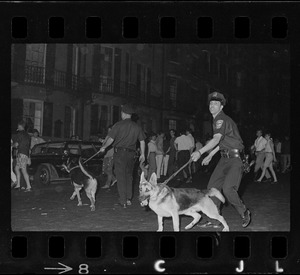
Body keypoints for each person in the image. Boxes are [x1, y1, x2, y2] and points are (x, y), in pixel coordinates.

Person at [191, 91, 251, 228]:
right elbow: (222, 142)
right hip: (224, 158)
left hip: (235, 159)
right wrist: (211, 155)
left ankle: (244, 212)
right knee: (212, 188)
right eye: (211, 103)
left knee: (228, 189)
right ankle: (214, 219)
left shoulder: (221, 119)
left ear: (221, 106)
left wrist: (200, 152)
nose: (212, 106)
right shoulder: (218, 119)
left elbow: (217, 139)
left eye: (216, 104)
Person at [99, 103, 146, 208]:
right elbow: (142, 141)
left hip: (120, 153)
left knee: (120, 176)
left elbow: (110, 139)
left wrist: (104, 147)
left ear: (124, 113)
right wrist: (142, 154)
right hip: (132, 154)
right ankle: (129, 198)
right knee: (129, 175)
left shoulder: (118, 125)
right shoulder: (137, 126)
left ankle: (123, 201)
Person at [12, 120, 32, 192]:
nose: (17, 127)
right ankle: (18, 185)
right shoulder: (28, 135)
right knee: (17, 168)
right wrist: (29, 157)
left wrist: (12, 145)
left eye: (18, 126)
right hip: (25, 154)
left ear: (20, 126)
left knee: (23, 170)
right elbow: (28, 147)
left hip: (21, 153)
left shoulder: (20, 134)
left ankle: (28, 187)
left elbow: (16, 144)